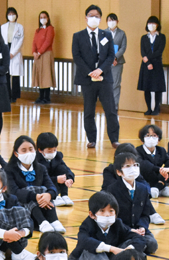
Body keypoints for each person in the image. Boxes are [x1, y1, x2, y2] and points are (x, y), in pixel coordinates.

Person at [71, 191, 146, 260]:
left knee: (130, 243)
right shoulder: (87, 225)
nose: (107, 215)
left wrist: (130, 249)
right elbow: (84, 241)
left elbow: (139, 238)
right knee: (92, 249)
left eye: (111, 211)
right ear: (92, 215)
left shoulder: (117, 224)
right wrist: (111, 249)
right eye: (102, 211)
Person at [72, 5, 121, 148]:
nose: (94, 18)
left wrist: (100, 70)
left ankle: (114, 139)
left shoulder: (106, 35)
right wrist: (90, 72)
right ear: (86, 18)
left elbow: (111, 55)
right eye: (91, 15)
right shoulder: (78, 36)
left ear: (100, 19)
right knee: (89, 110)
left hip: (104, 78)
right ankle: (91, 139)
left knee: (111, 110)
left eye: (97, 16)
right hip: (87, 79)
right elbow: (77, 56)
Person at [5, 136, 63, 234]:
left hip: (42, 207)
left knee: (45, 191)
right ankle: (42, 222)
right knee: (30, 193)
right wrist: (35, 196)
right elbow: (14, 192)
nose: (28, 153)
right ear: (16, 153)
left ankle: (54, 220)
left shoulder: (41, 168)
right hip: (20, 208)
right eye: (24, 150)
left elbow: (51, 186)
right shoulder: (9, 170)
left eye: (31, 149)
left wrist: (49, 195)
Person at [106, 152, 158, 254]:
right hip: (122, 230)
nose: (133, 168)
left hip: (138, 229)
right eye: (128, 166)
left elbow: (145, 214)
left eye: (135, 165)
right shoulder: (113, 190)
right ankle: (133, 246)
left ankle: (135, 245)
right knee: (129, 242)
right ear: (119, 172)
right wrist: (129, 230)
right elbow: (113, 217)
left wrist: (142, 227)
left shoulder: (142, 188)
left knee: (152, 244)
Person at [135, 124, 169, 198]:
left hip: (159, 178)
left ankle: (158, 188)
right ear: (142, 140)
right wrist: (159, 169)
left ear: (158, 139)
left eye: (154, 135)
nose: (151, 138)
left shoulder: (161, 150)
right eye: (148, 135)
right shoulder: (137, 150)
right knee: (147, 167)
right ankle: (159, 187)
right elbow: (143, 164)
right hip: (144, 179)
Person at [36, 132, 74, 207]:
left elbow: (66, 169)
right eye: (49, 151)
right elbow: (39, 179)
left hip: (55, 182)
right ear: (40, 150)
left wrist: (70, 178)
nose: (53, 153)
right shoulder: (36, 160)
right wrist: (55, 179)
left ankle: (64, 195)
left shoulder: (57, 156)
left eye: (55, 150)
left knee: (62, 168)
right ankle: (54, 196)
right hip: (42, 187)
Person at [138, 16, 166, 116]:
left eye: (154, 23)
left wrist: (147, 58)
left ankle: (156, 108)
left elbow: (159, 51)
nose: (151, 25)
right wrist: (147, 62)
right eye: (149, 23)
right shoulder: (144, 38)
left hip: (157, 64)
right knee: (147, 87)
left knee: (157, 88)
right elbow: (142, 51)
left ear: (157, 25)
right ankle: (149, 108)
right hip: (146, 65)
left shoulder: (162, 37)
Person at [2, 8, 24, 104]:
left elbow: (20, 41)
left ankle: (14, 96)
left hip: (15, 51)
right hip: (5, 49)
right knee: (6, 74)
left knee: (15, 75)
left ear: (16, 15)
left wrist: (12, 53)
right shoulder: (3, 27)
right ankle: (6, 95)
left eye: (13, 13)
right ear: (7, 15)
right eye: (9, 14)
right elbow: (1, 40)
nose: (11, 15)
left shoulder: (20, 27)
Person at [32, 11, 56, 104]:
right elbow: (34, 41)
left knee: (46, 75)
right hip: (38, 55)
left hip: (46, 54)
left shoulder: (50, 29)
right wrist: (34, 52)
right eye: (41, 17)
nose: (42, 19)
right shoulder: (38, 30)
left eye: (44, 17)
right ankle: (41, 96)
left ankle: (47, 97)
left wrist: (39, 52)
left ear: (48, 18)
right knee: (39, 75)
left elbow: (48, 41)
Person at [106, 14, 127, 111]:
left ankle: (114, 106)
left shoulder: (122, 33)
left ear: (117, 21)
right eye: (109, 20)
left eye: (113, 20)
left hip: (117, 63)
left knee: (116, 84)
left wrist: (115, 57)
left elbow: (123, 48)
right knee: (107, 84)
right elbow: (101, 47)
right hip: (106, 62)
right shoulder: (103, 33)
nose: (111, 22)